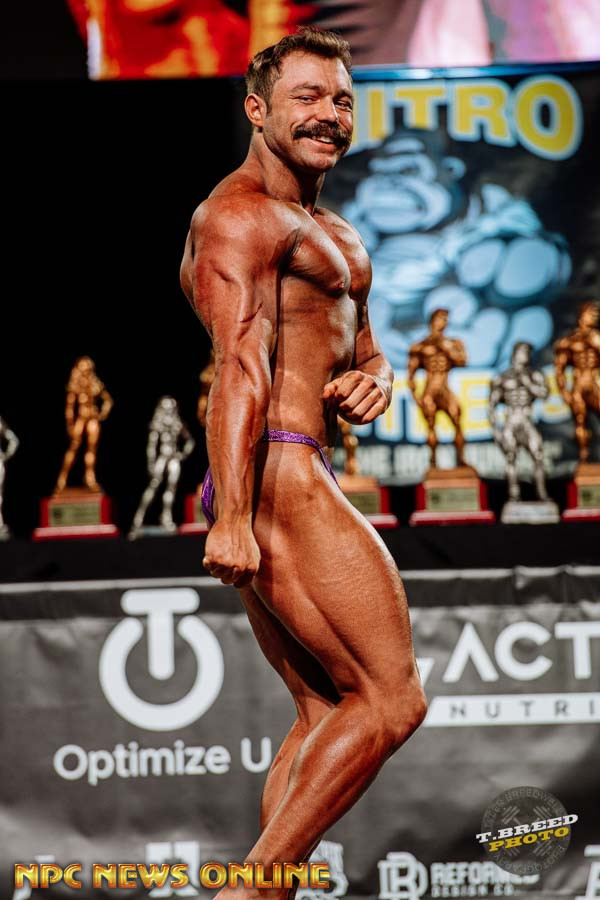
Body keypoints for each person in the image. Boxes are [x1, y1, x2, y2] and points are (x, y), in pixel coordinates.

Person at [180, 27, 426, 898]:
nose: (329, 115)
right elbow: (239, 365)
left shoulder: (335, 233)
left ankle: (268, 892)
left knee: (326, 710)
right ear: (257, 110)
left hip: (292, 464)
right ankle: (252, 890)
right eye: (307, 98)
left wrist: (376, 379)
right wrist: (232, 513)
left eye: (342, 100)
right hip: (273, 467)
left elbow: (367, 351)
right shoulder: (238, 216)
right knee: (392, 700)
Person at [489, 342, 550, 501]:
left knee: (538, 455)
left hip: (526, 419)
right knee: (510, 457)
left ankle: (541, 493)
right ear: (515, 353)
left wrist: (528, 383)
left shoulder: (534, 375)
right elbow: (492, 406)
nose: (526, 355)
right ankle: (514, 495)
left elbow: (544, 394)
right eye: (523, 351)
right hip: (510, 420)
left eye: (528, 352)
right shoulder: (502, 377)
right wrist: (495, 430)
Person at [407, 308, 467, 468]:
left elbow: (462, 361)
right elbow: (411, 376)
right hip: (430, 391)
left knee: (457, 420)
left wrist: (446, 347)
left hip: (445, 389)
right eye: (442, 318)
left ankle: (461, 460)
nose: (445, 322)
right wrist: (416, 397)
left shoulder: (454, 343)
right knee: (431, 426)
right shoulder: (420, 346)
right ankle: (433, 462)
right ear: (433, 321)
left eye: (446, 319)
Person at [128, 396, 195, 537]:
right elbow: (151, 447)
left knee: (171, 489)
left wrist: (182, 454)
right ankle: (137, 520)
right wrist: (151, 463)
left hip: (173, 459)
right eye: (166, 408)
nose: (168, 411)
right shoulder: (157, 425)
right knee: (153, 487)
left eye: (171, 408)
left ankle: (166, 519)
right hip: (162, 458)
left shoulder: (177, 424)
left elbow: (190, 441)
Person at [55, 356, 113, 493]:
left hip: (92, 419)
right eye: (83, 369)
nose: (85, 372)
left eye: (87, 369)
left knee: (91, 450)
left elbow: (108, 400)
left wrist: (102, 414)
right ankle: (62, 480)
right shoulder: (75, 385)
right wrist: (70, 424)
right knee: (74, 447)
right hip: (81, 419)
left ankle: (90, 479)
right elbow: (69, 408)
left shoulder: (95, 384)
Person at [554, 301, 600, 463]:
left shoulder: (597, 338)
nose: (594, 317)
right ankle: (583, 455)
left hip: (595, 380)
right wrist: (564, 392)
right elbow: (559, 369)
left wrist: (596, 343)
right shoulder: (569, 341)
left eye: (596, 315)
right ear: (582, 315)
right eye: (591, 314)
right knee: (580, 420)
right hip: (579, 382)